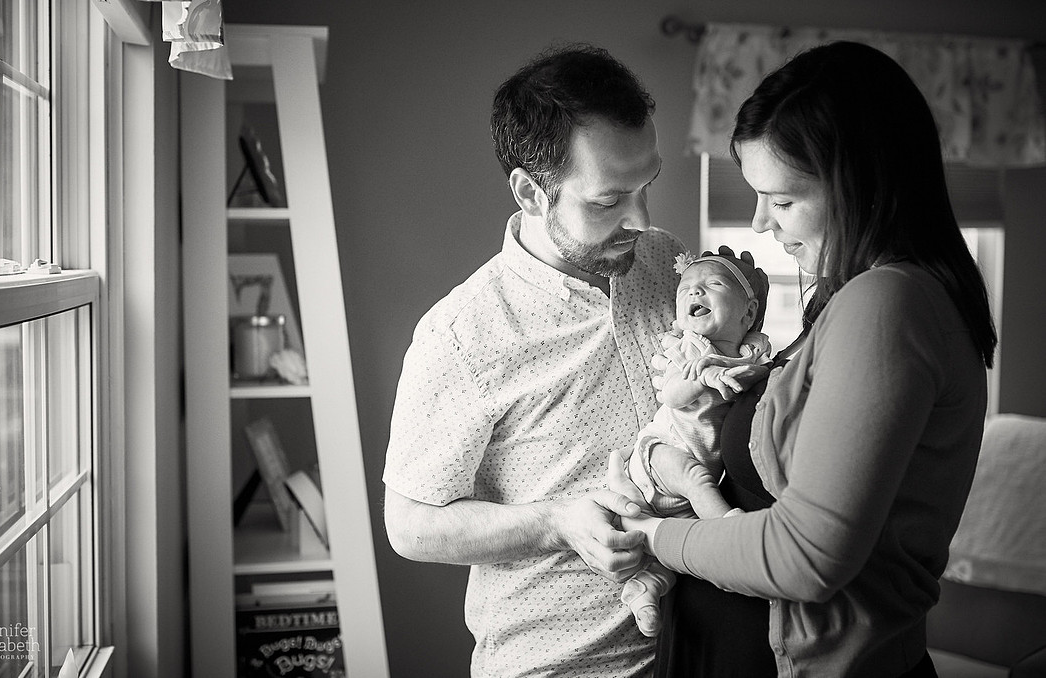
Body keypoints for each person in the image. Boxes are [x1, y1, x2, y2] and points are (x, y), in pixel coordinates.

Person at [609, 40, 997, 678]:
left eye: (783, 201)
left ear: (861, 183)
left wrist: (651, 537)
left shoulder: (888, 303)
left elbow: (806, 558)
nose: (760, 223)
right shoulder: (867, 301)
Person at [383, 44, 686, 678]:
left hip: (699, 649)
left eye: (647, 185)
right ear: (530, 191)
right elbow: (410, 526)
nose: (643, 220)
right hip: (556, 667)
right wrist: (556, 523)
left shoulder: (667, 264)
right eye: (607, 201)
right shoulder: (461, 335)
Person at [620, 249, 772, 638]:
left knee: (681, 552)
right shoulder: (689, 349)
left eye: (712, 285)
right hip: (662, 452)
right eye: (685, 289)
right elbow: (671, 395)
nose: (694, 293)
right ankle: (727, 529)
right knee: (696, 481)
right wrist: (702, 378)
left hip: (693, 479)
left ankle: (644, 589)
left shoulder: (748, 351)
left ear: (748, 312)